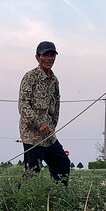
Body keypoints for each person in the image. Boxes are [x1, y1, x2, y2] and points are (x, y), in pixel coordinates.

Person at [18, 41, 70, 184]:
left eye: (52, 55)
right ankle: (22, 203)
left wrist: (51, 126)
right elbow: (23, 105)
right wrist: (39, 123)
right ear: (37, 57)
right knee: (33, 172)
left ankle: (57, 197)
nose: (49, 59)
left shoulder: (54, 80)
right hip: (32, 136)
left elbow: (56, 107)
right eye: (45, 55)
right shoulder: (30, 77)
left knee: (63, 164)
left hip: (49, 135)